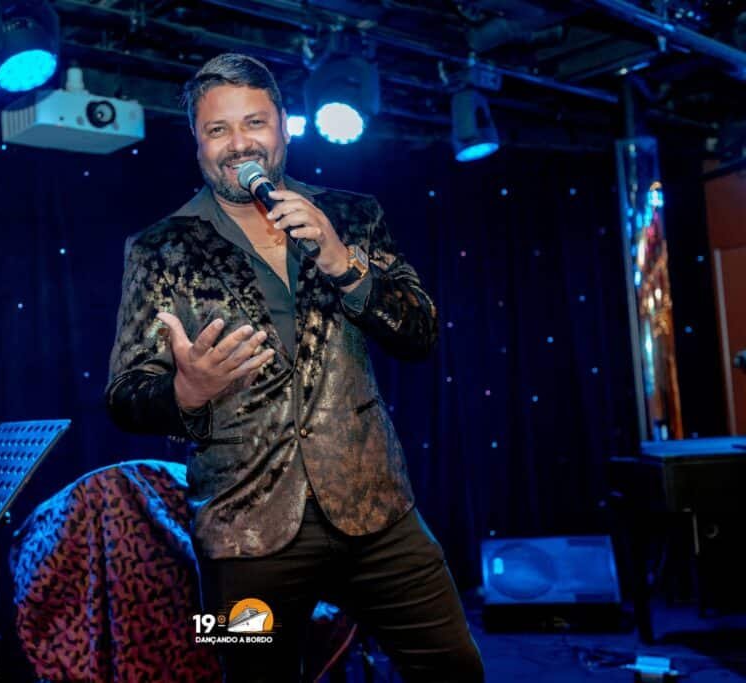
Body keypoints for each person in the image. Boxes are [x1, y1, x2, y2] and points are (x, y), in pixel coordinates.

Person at [105, 53, 483, 682]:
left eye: (254, 122)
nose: (239, 144)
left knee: (455, 668)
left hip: (378, 511)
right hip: (240, 532)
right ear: (196, 142)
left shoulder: (354, 215)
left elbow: (419, 334)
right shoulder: (158, 247)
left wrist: (343, 263)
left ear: (284, 126)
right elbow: (124, 394)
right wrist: (186, 391)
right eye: (218, 129)